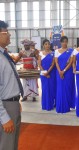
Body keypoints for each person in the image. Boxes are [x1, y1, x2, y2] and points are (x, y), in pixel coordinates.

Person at [0, 20, 23, 150]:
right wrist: (4, 117)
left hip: (11, 103)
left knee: (12, 143)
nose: (9, 35)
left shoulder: (4, 55)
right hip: (5, 107)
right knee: (7, 144)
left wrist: (15, 100)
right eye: (6, 32)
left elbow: (7, 82)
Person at [55, 36, 75, 113]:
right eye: (63, 41)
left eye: (66, 41)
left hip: (68, 73)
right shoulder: (56, 51)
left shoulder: (71, 51)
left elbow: (71, 62)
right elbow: (56, 62)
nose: (64, 43)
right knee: (60, 89)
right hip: (59, 72)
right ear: (61, 42)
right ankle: (60, 106)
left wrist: (64, 71)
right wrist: (60, 71)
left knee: (67, 89)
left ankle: (67, 107)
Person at [38, 39, 56, 111]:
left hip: (51, 73)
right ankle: (45, 104)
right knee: (45, 89)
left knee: (51, 89)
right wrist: (44, 72)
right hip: (43, 74)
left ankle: (51, 104)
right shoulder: (41, 54)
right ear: (43, 45)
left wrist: (48, 72)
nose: (47, 45)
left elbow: (53, 64)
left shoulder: (53, 53)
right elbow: (39, 64)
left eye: (48, 44)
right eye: (46, 44)